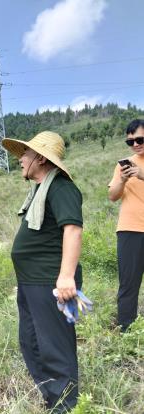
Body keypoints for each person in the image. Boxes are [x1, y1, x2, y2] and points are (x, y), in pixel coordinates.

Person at [2, 131, 83, 413]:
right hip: (31, 282)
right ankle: (53, 400)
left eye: (25, 154)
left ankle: (65, 406)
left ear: (40, 158)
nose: (20, 159)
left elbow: (72, 229)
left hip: (50, 281)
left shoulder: (61, 188)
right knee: (32, 343)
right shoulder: (40, 189)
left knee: (55, 348)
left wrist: (66, 277)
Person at [108, 119, 144, 332]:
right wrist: (122, 179)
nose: (135, 145)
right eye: (130, 141)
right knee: (128, 284)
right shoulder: (123, 164)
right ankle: (126, 330)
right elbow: (112, 196)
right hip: (130, 229)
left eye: (140, 139)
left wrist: (141, 174)